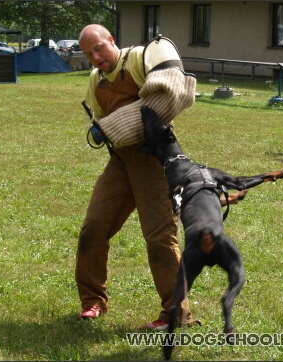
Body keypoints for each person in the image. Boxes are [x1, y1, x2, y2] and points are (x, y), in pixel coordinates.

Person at [76, 24, 197, 330]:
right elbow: (100, 122)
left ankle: (176, 313)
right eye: (89, 54)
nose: (96, 57)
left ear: (112, 40)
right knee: (93, 228)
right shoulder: (96, 80)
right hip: (120, 161)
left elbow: (167, 99)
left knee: (160, 237)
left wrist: (112, 126)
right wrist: (103, 129)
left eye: (99, 48)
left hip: (155, 159)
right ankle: (92, 301)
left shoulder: (140, 59)